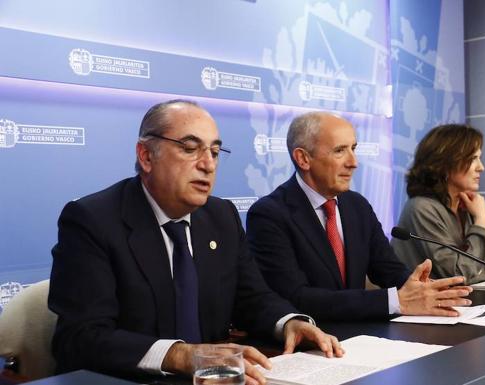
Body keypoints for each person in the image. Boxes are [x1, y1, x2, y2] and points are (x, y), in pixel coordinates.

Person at [48, 100, 342, 384]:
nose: (208, 164)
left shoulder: (221, 216)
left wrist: (289, 323)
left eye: (215, 152)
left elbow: (252, 297)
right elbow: (81, 337)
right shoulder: (92, 221)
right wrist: (180, 355)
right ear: (146, 156)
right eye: (190, 148)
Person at [246, 111, 472, 322]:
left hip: (363, 336)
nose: (353, 162)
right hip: (311, 342)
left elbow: (388, 270)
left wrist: (426, 290)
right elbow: (295, 297)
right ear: (303, 159)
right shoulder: (269, 215)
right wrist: (394, 301)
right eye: (339, 151)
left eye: (353, 148)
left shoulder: (356, 206)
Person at [391, 124, 485, 284]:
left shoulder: (469, 204)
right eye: (473, 159)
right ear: (445, 162)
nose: (481, 167)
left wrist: (472, 274)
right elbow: (458, 273)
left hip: (466, 300)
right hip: (424, 306)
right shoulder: (421, 208)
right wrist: (480, 222)